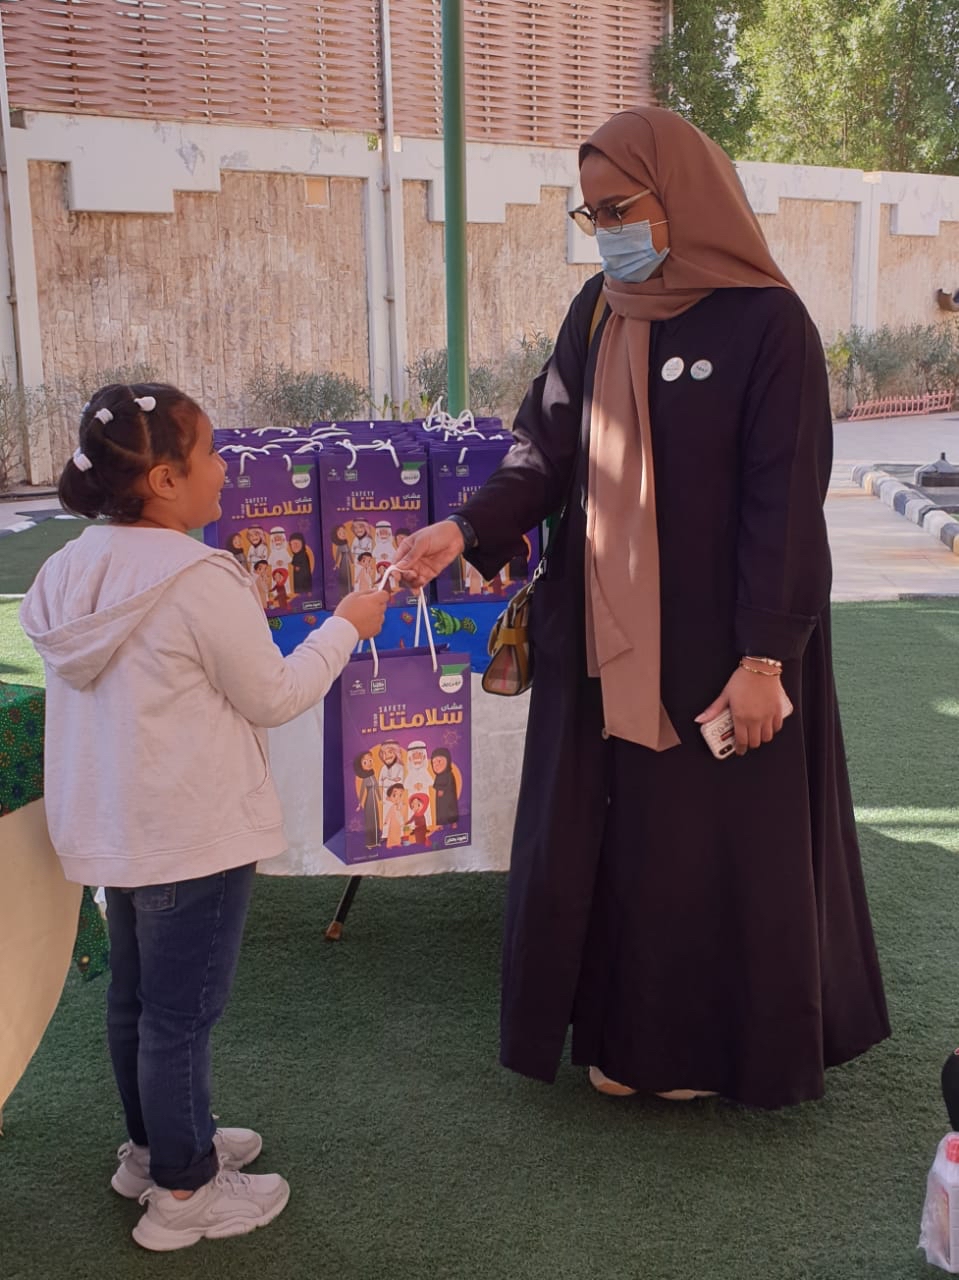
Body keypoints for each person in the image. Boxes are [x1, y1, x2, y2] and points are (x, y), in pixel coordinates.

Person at [394, 106, 890, 1109]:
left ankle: (712, 1053)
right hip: (604, 636)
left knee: (708, 846)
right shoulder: (599, 309)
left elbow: (783, 502)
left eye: (620, 208)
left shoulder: (769, 324)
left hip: (722, 640)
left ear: (683, 196)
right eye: (592, 214)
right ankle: (619, 1039)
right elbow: (544, 447)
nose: (606, 230)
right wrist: (467, 526)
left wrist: (765, 659)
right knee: (611, 839)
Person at [19, 383, 388, 1250]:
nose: (225, 470)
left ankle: (156, 1149)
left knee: (137, 1002)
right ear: (162, 480)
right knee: (178, 1016)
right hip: (192, 835)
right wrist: (345, 623)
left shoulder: (65, 567)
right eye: (212, 454)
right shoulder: (198, 578)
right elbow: (274, 695)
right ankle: (185, 1189)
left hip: (117, 830)